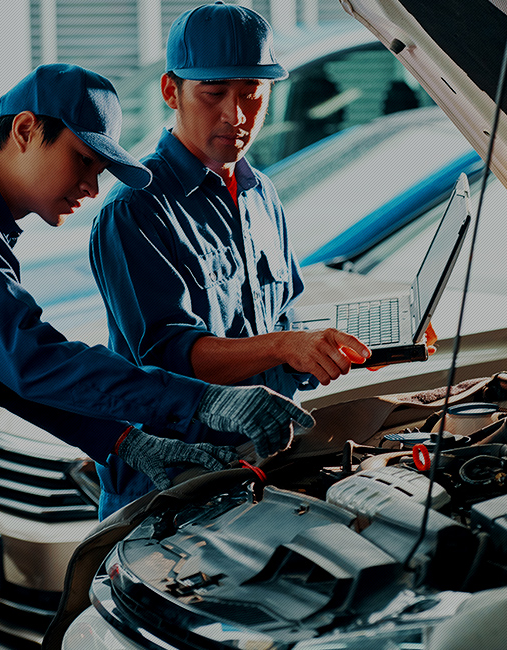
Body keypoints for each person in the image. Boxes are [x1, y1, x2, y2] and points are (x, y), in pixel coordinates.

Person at [0, 62, 315, 546]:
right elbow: (30, 358)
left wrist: (121, 439)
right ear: (26, 129)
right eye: (84, 159)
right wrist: (203, 399)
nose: (92, 188)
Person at [88, 1, 372, 518]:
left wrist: (330, 350)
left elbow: (280, 320)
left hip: (254, 470)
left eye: (251, 94)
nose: (235, 116)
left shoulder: (262, 193)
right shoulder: (136, 210)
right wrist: (289, 344)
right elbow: (171, 355)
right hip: (170, 484)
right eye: (214, 94)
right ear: (171, 91)